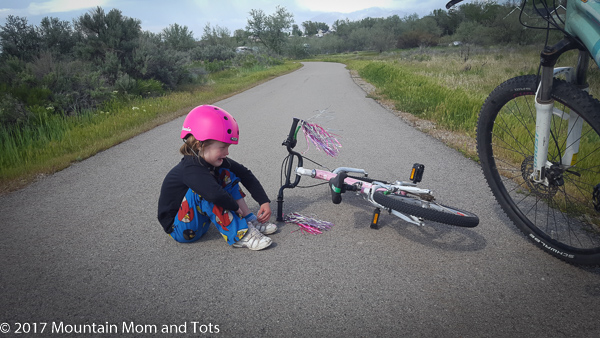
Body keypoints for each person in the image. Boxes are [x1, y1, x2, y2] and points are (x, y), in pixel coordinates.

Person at [157, 105, 276, 250]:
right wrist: (234, 206)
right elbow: (214, 194)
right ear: (199, 144)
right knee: (205, 191)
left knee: (227, 173)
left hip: (198, 222)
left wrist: (263, 201)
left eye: (228, 147)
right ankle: (241, 235)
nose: (226, 152)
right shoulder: (190, 169)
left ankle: (247, 219)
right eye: (222, 147)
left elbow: (244, 173)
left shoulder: (215, 161)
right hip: (180, 229)